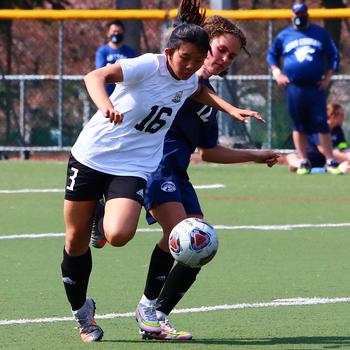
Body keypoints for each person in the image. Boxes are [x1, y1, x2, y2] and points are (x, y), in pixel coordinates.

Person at [61, 0, 265, 343]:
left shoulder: (194, 83)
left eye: (230, 56)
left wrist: (234, 114)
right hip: (102, 158)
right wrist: (106, 104)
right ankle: (90, 312)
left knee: (181, 240)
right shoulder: (152, 66)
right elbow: (97, 76)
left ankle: (152, 312)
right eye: (221, 51)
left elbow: (203, 118)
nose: (223, 60)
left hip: (143, 167)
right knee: (77, 239)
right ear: (178, 50)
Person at [266, 2, 341, 175]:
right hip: (294, 87)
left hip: (315, 86)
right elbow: (271, 55)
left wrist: (328, 77)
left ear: (307, 14)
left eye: (302, 14)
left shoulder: (319, 33)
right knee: (298, 125)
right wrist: (277, 73)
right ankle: (303, 160)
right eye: (296, 14)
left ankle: (330, 160)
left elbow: (333, 55)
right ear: (292, 16)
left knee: (322, 123)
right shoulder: (285, 35)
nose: (299, 17)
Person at [286, 103, 349, 173]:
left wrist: (345, 152)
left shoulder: (338, 129)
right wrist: (345, 157)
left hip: (326, 159)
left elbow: (342, 145)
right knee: (290, 157)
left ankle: (328, 168)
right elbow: (322, 149)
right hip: (311, 158)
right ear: (333, 116)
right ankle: (322, 169)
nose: (344, 117)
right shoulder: (319, 128)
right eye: (342, 115)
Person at [95, 20, 136, 95]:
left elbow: (133, 72)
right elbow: (100, 71)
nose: (116, 34)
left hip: (125, 93)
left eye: (119, 31)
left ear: (123, 33)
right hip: (107, 93)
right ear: (108, 33)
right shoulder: (102, 51)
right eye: (114, 31)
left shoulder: (129, 52)